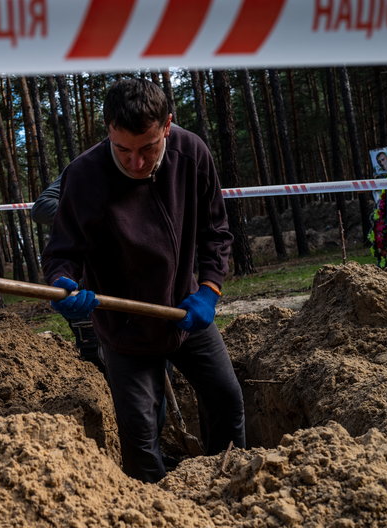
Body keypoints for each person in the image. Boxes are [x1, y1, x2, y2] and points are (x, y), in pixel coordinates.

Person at [41, 78, 245, 482]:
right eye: (123, 150)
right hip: (125, 326)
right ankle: (152, 508)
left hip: (184, 311)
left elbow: (216, 232)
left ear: (167, 125)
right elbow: (63, 251)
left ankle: (230, 484)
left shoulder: (192, 154)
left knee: (227, 398)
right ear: (109, 132)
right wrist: (64, 284)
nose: (136, 163)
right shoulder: (84, 176)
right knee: (140, 432)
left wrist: (209, 290)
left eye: (148, 148)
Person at [31, 176, 103, 370]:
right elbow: (42, 208)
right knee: (100, 361)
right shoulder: (88, 167)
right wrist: (97, 222)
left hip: (140, 289)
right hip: (87, 286)